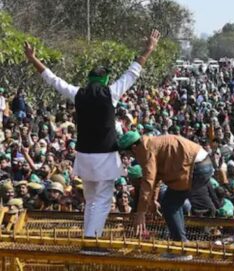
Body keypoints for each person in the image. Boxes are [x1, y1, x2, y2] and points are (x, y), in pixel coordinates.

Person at [23, 29, 160, 239]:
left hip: (84, 157)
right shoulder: (111, 93)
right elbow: (132, 72)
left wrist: (33, 59)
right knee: (103, 200)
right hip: (104, 158)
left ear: (89, 79)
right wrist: (149, 49)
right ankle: (91, 239)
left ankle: (89, 236)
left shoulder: (78, 93)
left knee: (91, 200)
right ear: (105, 80)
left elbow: (52, 79)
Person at [117, 131, 213, 243]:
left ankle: (181, 246)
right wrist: (152, 201)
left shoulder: (145, 150)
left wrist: (141, 213)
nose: (132, 158)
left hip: (196, 167)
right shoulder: (150, 144)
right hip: (203, 164)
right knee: (173, 204)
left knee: (169, 205)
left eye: (130, 154)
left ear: (134, 147)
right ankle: (181, 242)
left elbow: (148, 181)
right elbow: (156, 176)